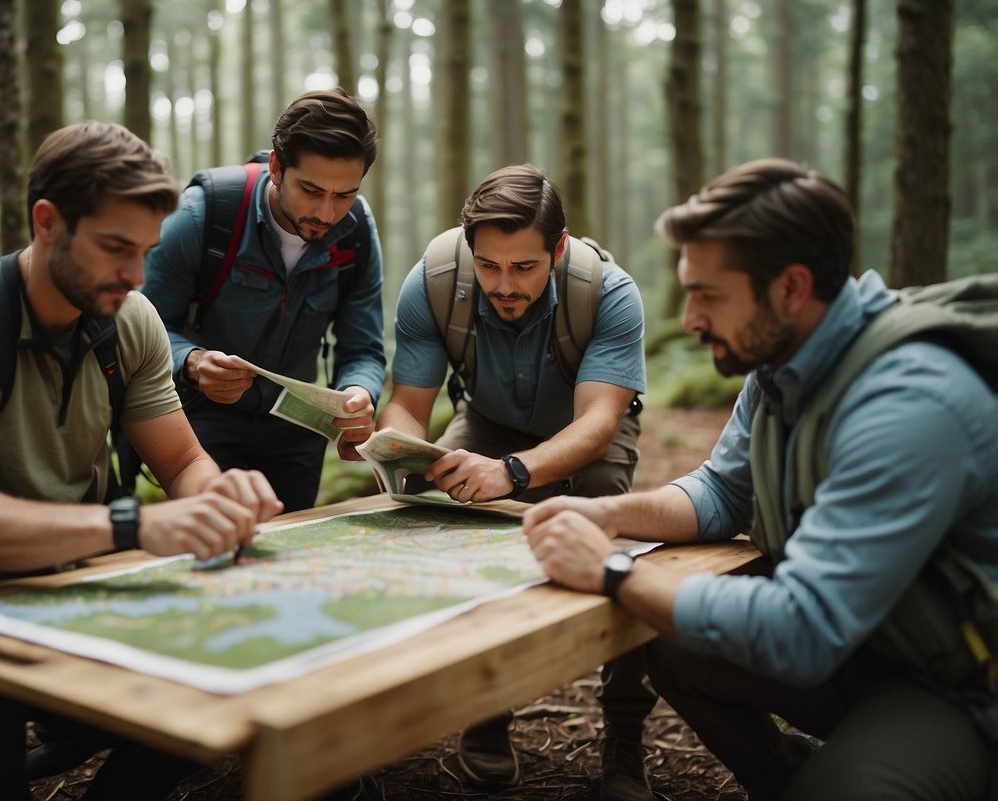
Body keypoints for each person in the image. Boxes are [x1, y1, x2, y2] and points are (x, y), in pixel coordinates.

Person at [524, 158, 998, 800]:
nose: (690, 320)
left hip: (965, 688)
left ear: (791, 289)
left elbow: (802, 630)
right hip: (879, 644)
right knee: (674, 640)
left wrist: (614, 572)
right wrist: (609, 518)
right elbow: (722, 491)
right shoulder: (784, 363)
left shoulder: (909, 405)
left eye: (708, 295)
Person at [0, 120, 282, 801]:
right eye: (115, 247)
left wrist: (218, 495)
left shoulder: (132, 318)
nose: (136, 275)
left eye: (146, 251)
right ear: (47, 222)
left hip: (90, 569)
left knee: (215, 669)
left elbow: (180, 461)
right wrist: (129, 528)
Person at [368, 164, 654, 799]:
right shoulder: (435, 283)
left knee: (616, 541)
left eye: (524, 267)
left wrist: (515, 473)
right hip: (488, 422)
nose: (503, 285)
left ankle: (625, 735)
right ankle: (486, 709)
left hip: (584, 433)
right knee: (433, 518)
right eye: (489, 266)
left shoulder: (609, 292)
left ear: (558, 247)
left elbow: (599, 423)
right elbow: (409, 404)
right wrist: (397, 451)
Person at [142, 88, 386, 512]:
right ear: (276, 166)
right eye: (311, 190)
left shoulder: (358, 233)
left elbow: (363, 348)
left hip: (296, 428)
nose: (327, 213)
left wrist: (358, 393)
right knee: (212, 545)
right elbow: (143, 328)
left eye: (344, 195)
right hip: (199, 420)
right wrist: (194, 362)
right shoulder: (205, 214)